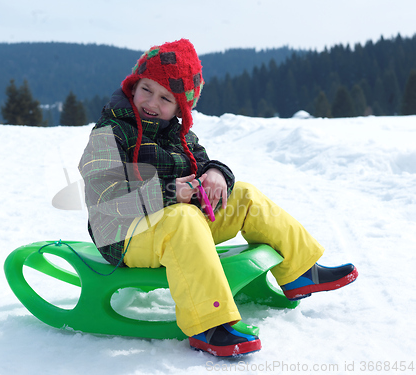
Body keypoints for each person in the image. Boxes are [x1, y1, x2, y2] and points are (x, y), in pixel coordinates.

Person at [79, 39, 358, 357]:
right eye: (146, 89)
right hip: (124, 235)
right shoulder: (111, 132)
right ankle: (208, 324)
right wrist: (170, 193)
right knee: (182, 217)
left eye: (166, 97)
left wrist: (216, 175)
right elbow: (103, 195)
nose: (152, 103)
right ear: (133, 86)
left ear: (180, 107)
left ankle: (300, 271)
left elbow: (205, 163)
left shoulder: (178, 133)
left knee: (244, 195)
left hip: (178, 226)